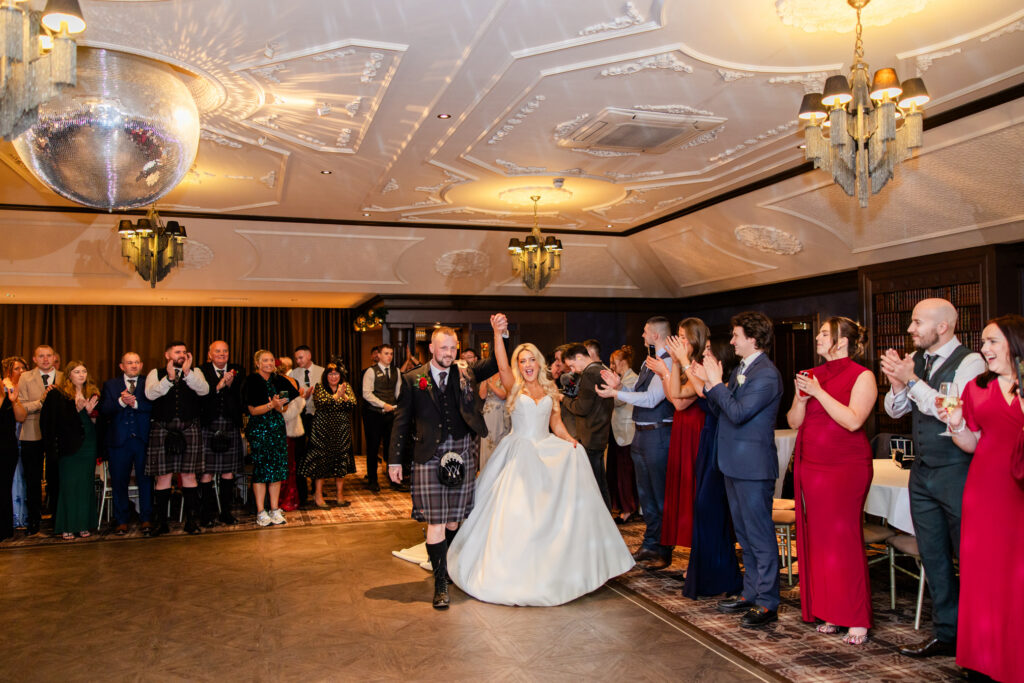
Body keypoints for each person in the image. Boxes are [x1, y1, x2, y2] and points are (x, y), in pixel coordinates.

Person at [447, 328, 634, 607]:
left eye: (531, 360)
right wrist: (498, 334)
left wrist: (571, 441)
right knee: (517, 512)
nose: (527, 365)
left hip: (545, 449)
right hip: (518, 453)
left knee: (548, 511)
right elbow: (500, 362)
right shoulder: (514, 386)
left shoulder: (550, 389)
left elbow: (555, 424)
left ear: (539, 363)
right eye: (522, 361)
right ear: (518, 366)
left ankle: (553, 566)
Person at [879, 298, 986, 658]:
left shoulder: (971, 362)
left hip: (957, 472)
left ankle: (979, 637)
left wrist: (911, 380)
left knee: (968, 558)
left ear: (942, 327)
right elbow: (895, 411)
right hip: (921, 474)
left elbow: (949, 410)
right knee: (934, 556)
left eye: (917, 322)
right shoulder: (919, 362)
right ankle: (947, 633)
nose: (910, 329)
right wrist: (897, 384)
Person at [388, 316, 507, 609]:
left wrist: (499, 333)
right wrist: (394, 460)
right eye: (443, 348)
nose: (449, 353)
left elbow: (495, 362)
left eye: (453, 348)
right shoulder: (413, 378)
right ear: (432, 348)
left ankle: (449, 567)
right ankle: (441, 581)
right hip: (429, 454)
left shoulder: (466, 372)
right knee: (437, 521)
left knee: (455, 519)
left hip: (462, 450)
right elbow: (401, 422)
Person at [934, 315, 1024, 682]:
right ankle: (981, 659)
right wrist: (955, 424)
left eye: (992, 342)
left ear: (1015, 343)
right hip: (985, 488)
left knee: (1015, 576)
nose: (984, 349)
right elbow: (971, 443)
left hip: (1018, 489)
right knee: (981, 575)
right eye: (983, 342)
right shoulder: (975, 388)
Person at [786, 317, 876, 645]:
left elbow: (853, 421)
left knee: (845, 540)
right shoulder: (811, 375)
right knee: (821, 541)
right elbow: (794, 422)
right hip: (812, 466)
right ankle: (831, 611)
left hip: (845, 467)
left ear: (843, 341)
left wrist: (819, 393)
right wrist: (800, 397)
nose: (819, 338)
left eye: (825, 334)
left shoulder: (862, 376)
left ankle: (857, 617)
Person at [691, 311, 783, 628]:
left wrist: (716, 383)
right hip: (732, 463)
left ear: (752, 339)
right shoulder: (744, 369)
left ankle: (768, 601)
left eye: (736, 335)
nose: (731, 341)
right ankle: (750, 593)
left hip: (754, 467)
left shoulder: (766, 375)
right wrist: (710, 383)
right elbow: (720, 409)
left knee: (759, 535)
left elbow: (740, 413)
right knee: (744, 534)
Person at [664, 333, 743, 600]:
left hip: (719, 443)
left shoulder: (727, 380)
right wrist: (678, 363)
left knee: (711, 509)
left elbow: (702, 392)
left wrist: (685, 362)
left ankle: (723, 575)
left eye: (710, 350)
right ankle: (714, 576)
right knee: (705, 509)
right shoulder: (709, 376)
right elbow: (678, 394)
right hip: (709, 442)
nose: (705, 354)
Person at [597, 316, 675, 571]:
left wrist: (616, 393)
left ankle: (663, 548)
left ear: (655, 335)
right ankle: (650, 542)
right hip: (640, 433)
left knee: (660, 494)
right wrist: (619, 385)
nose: (641, 336)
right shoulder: (648, 361)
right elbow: (639, 392)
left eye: (644, 332)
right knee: (646, 495)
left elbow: (652, 399)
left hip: (658, 433)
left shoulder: (669, 362)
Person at [647, 319, 705, 552]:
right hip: (682, 428)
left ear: (694, 339)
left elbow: (680, 404)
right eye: (678, 336)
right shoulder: (685, 365)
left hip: (696, 429)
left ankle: (699, 551)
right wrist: (665, 373)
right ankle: (692, 550)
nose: (678, 341)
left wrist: (670, 369)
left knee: (694, 490)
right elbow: (673, 397)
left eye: (682, 337)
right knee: (682, 491)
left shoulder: (698, 366)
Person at [145, 341, 210, 536]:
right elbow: (150, 394)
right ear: (167, 355)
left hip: (189, 427)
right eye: (177, 351)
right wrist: (169, 378)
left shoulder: (195, 372)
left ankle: (191, 521)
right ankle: (161, 523)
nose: (181, 354)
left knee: (189, 475)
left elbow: (204, 390)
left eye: (184, 351)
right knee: (163, 477)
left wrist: (188, 374)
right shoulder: (155, 373)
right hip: (163, 428)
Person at [40, 360, 99, 540]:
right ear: (69, 375)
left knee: (85, 484)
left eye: (84, 371)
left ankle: (83, 524)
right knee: (68, 485)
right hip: (68, 446)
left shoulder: (93, 392)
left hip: (88, 444)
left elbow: (99, 423)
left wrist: (90, 413)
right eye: (77, 371)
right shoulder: (57, 394)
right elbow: (50, 423)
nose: (81, 375)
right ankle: (66, 525)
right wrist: (76, 410)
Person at [99, 352, 153, 535]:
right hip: (119, 442)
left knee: (145, 480)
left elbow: (155, 407)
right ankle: (121, 520)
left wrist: (136, 404)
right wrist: (121, 402)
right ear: (122, 366)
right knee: (119, 481)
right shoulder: (111, 385)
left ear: (141, 364)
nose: (134, 366)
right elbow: (104, 410)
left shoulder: (148, 383)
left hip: (142, 440)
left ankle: (146, 518)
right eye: (130, 363)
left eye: (137, 362)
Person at [245, 350, 297, 527]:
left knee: (276, 470)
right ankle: (261, 511)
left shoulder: (280, 380)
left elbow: (283, 409)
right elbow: (252, 410)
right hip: (259, 429)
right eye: (264, 360)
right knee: (261, 470)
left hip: (276, 429)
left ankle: (275, 509)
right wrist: (271, 405)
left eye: (271, 360)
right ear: (257, 363)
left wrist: (277, 406)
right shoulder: (251, 381)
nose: (269, 363)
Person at [197, 341, 245, 527]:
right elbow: (200, 397)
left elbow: (240, 397)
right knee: (206, 472)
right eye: (218, 351)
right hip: (208, 424)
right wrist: (218, 386)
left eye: (225, 351)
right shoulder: (201, 371)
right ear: (210, 354)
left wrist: (231, 385)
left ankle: (226, 512)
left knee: (228, 472)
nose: (222, 354)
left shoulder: (237, 370)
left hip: (230, 424)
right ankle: (207, 514)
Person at [561, 343, 614, 507]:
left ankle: (600, 520)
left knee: (593, 484)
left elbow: (582, 408)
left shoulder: (590, 373)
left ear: (579, 357)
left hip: (590, 433)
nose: (573, 369)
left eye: (572, 365)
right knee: (599, 481)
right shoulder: (602, 369)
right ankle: (604, 518)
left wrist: (564, 399)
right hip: (600, 432)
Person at [17, 345, 63, 535]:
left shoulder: (63, 377)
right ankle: (34, 520)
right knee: (33, 479)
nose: (45, 359)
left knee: (56, 478)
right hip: (31, 432)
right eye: (41, 356)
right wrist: (41, 402)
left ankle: (57, 518)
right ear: (34, 359)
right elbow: (21, 406)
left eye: (49, 356)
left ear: (54, 358)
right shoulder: (25, 377)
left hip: (56, 434)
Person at [301, 358, 357, 508]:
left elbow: (352, 404)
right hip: (322, 430)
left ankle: (340, 495)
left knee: (341, 462)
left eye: (336, 374)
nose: (333, 377)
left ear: (340, 375)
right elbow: (322, 404)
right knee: (321, 463)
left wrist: (343, 395)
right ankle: (318, 495)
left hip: (341, 430)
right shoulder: (319, 387)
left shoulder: (346, 387)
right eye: (330, 374)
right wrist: (337, 396)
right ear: (326, 375)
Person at [362, 344, 400, 493]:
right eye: (386, 353)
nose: (389, 356)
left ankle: (394, 479)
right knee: (373, 447)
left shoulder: (396, 371)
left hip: (391, 415)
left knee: (392, 448)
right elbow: (367, 394)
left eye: (391, 353)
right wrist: (383, 405)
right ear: (379, 355)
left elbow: (398, 393)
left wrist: (396, 406)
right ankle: (372, 480)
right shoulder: (371, 372)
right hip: (374, 414)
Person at [607, 346, 638, 524]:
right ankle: (622, 506)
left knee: (626, 471)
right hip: (617, 428)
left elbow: (620, 401)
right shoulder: (622, 378)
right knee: (618, 470)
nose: (611, 366)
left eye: (613, 363)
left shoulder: (632, 379)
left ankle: (629, 508)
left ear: (622, 362)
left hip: (627, 431)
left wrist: (614, 388)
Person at [289, 345, 323, 507]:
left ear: (309, 356)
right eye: (296, 358)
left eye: (301, 357)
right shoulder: (293, 374)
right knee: (300, 455)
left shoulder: (322, 372)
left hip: (318, 418)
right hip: (300, 419)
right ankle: (301, 493)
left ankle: (318, 490)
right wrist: (303, 397)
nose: (298, 361)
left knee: (318, 454)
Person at [1, 358, 27, 541]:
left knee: (3, 487)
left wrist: (14, 399)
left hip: (6, 445)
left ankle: (4, 529)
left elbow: (21, 417)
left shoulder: (12, 391)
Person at [276, 358, 305, 512]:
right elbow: (286, 413)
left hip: (292, 432)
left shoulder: (291, 383)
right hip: (285, 433)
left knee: (293, 467)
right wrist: (300, 399)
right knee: (288, 468)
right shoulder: (283, 386)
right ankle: (285, 500)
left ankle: (293, 498)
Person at [478, 374, 509, 472]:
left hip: (501, 413)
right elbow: (482, 395)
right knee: (487, 443)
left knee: (500, 441)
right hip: (488, 414)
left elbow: (503, 395)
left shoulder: (506, 373)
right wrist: (484, 380)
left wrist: (490, 384)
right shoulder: (487, 375)